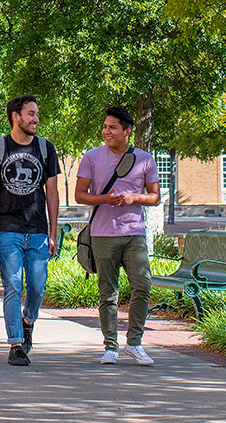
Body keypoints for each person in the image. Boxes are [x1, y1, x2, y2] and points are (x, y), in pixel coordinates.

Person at [75, 106, 160, 366]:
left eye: (112, 127)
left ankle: (134, 343)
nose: (106, 131)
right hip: (102, 234)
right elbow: (80, 194)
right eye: (105, 127)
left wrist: (134, 197)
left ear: (127, 131)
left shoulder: (145, 159)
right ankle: (110, 346)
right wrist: (105, 199)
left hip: (134, 233)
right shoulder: (92, 157)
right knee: (107, 293)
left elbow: (155, 197)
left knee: (142, 286)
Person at [0, 95, 60, 367]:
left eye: (37, 114)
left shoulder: (46, 149)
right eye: (31, 114)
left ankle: (28, 322)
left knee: (37, 287)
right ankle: (15, 343)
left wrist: (54, 231)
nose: (36, 119)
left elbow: (52, 193)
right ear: (16, 116)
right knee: (12, 285)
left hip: (37, 229)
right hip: (7, 228)